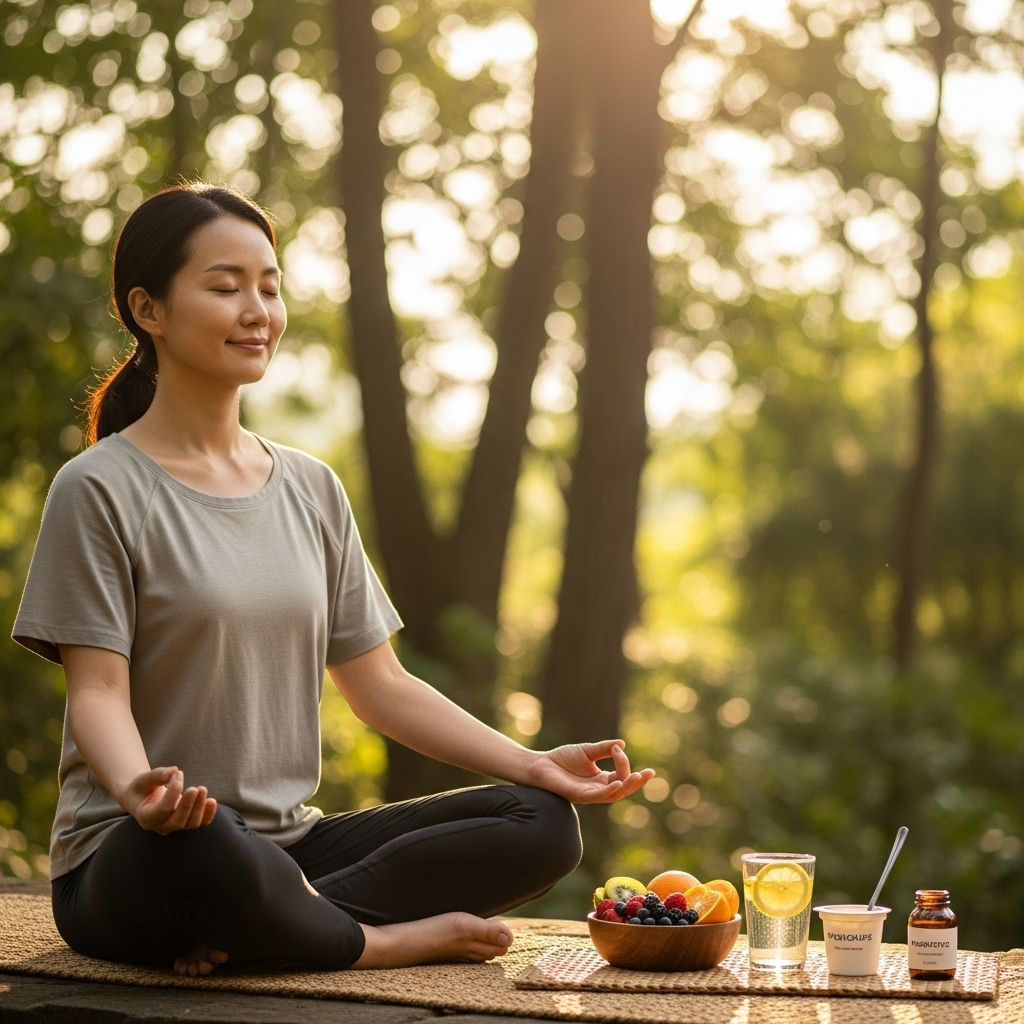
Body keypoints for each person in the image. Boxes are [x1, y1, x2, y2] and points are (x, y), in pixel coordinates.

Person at [12, 183, 653, 976]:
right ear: (148, 310)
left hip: (288, 846)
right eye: (224, 287)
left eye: (269, 287)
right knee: (208, 848)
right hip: (142, 852)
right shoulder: (99, 487)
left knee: (543, 823)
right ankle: (375, 941)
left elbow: (380, 685)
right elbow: (98, 692)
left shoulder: (309, 487)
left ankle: (270, 926)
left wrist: (530, 762)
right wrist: (139, 790)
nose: (257, 310)